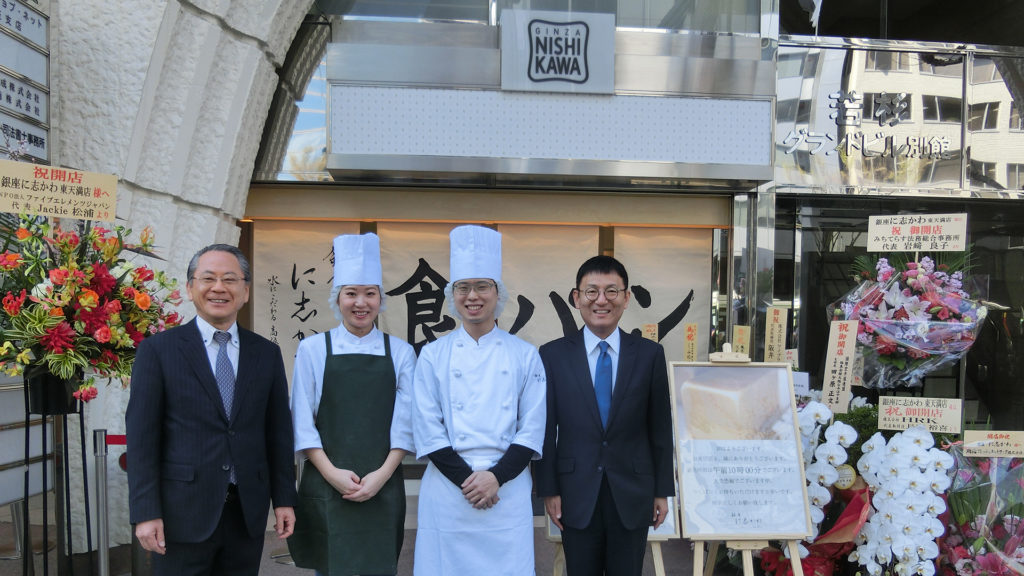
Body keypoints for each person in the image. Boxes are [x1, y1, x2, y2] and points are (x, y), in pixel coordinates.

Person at [126, 244, 297, 576]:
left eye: (230, 279)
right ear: (190, 288)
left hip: (246, 510)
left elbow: (278, 433)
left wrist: (285, 498)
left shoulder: (266, 353)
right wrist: (145, 512)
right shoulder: (158, 351)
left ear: (245, 291)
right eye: (208, 278)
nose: (219, 288)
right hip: (181, 513)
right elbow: (142, 438)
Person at [411, 225, 547, 576]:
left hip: (508, 490)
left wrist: (496, 478)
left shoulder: (525, 355)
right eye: (463, 287)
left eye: (482, 286)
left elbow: (531, 428)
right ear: (452, 294)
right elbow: (428, 429)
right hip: (448, 491)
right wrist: (469, 482)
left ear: (497, 293)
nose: (473, 296)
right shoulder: (432, 356)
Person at [534, 255, 674, 576]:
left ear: (626, 298)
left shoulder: (649, 354)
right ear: (576, 298)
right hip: (575, 491)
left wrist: (661, 490)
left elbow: (659, 428)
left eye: (612, 291)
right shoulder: (553, 355)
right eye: (591, 291)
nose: (601, 300)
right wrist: (549, 489)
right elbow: (544, 427)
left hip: (634, 491)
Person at [287, 232, 415, 576]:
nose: (361, 303)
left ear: (380, 299)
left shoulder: (401, 353)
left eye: (370, 294)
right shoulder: (314, 350)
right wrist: (333, 474)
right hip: (327, 484)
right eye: (351, 294)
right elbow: (301, 421)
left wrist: (381, 476)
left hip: (383, 484)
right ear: (337, 298)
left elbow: (405, 424)